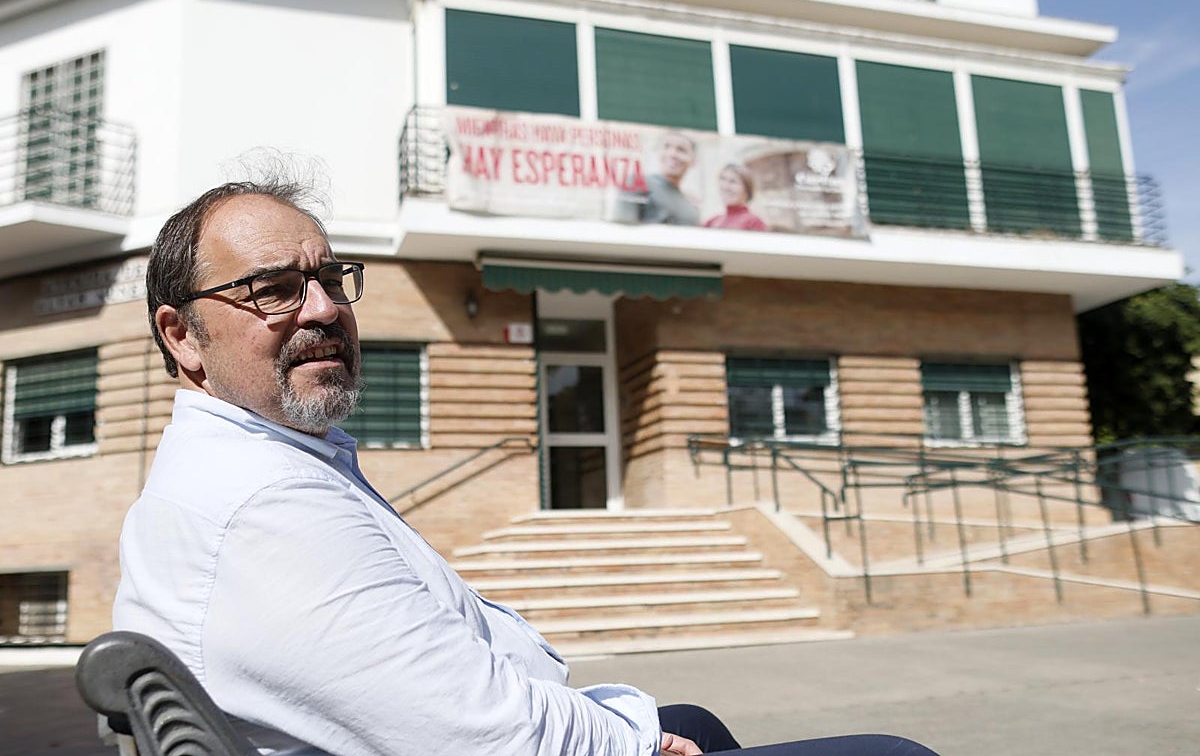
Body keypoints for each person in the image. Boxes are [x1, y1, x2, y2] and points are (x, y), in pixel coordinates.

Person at [113, 177, 941, 756]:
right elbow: (478, 735)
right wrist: (637, 744)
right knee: (895, 753)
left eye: (330, 277)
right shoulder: (259, 506)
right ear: (182, 335)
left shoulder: (270, 462)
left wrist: (636, 726)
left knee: (694, 717)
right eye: (273, 289)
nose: (325, 308)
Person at [619, 131, 700, 225]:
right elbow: (623, 227)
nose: (672, 154)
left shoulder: (690, 205)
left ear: (694, 160)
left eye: (681, 150)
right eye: (666, 147)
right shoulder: (637, 182)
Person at [704, 164, 768, 231]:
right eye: (723, 179)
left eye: (733, 181)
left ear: (747, 190)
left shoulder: (754, 223)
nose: (725, 187)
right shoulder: (711, 222)